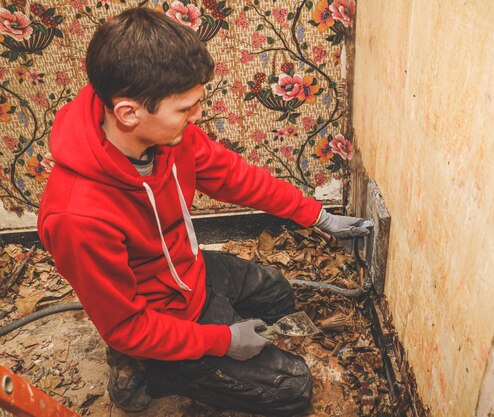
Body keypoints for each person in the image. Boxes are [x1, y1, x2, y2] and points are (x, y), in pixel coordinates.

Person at [37, 6, 371, 416]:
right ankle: (152, 370)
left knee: (276, 291)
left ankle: (187, 354)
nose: (197, 116)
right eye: (185, 108)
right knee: (293, 388)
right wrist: (221, 341)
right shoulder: (77, 217)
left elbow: (237, 178)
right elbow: (126, 325)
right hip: (156, 312)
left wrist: (316, 216)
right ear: (129, 113)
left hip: (187, 272)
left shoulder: (170, 138)